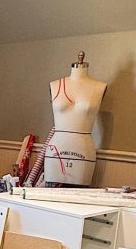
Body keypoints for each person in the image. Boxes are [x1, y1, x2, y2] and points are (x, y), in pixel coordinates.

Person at [44, 52, 107, 186]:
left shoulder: (99, 87)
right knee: (49, 194)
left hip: (83, 150)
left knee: (79, 196)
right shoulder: (55, 85)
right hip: (56, 150)